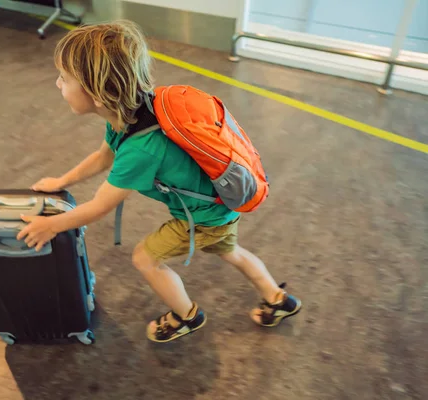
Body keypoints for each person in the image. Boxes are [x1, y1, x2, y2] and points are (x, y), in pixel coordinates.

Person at [17, 20, 302, 343]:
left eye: (64, 79)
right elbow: (103, 157)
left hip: (204, 218)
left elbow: (100, 207)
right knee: (231, 251)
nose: (57, 84)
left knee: (145, 258)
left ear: (98, 94)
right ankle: (279, 301)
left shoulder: (141, 148)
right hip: (219, 209)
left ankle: (187, 316)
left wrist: (51, 226)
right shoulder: (131, 112)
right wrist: (62, 180)